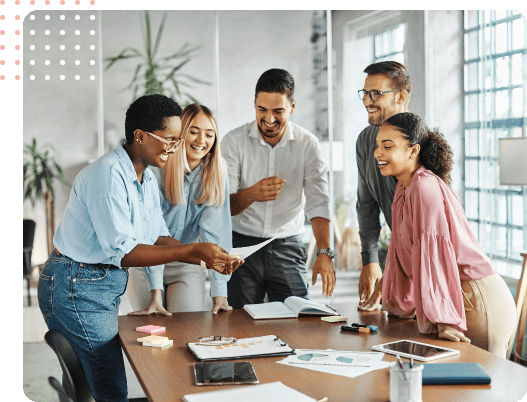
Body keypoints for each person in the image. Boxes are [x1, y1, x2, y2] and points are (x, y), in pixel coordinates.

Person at [37, 94, 242, 402]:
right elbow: (126, 252)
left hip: (94, 284)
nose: (175, 149)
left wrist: (203, 255)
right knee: (110, 388)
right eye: (170, 141)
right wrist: (192, 252)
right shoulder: (107, 176)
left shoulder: (144, 178)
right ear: (140, 136)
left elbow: (157, 234)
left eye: (177, 141)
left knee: (97, 381)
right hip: (74, 286)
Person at [366, 112, 516, 357]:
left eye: (388, 146)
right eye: (377, 146)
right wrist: (394, 303)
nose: (378, 153)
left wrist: (444, 319)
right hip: (453, 298)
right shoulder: (404, 189)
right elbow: (399, 251)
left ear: (413, 151)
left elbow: (435, 256)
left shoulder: (425, 188)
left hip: (475, 300)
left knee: (481, 392)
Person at [221, 68, 336, 309]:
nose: (269, 119)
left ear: (292, 107)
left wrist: (324, 252)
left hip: (287, 245)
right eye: (262, 109)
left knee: (296, 320)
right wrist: (253, 193)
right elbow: (224, 207)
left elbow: (318, 201)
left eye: (278, 111)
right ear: (254, 104)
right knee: (241, 324)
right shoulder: (233, 142)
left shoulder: (308, 145)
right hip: (241, 246)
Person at [127, 104, 233, 314]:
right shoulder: (157, 167)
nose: (202, 141)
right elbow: (151, 235)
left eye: (209, 134)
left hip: (186, 264)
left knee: (187, 328)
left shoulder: (217, 171)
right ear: (179, 134)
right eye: (193, 132)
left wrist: (220, 294)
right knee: (151, 332)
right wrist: (155, 292)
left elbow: (217, 234)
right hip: (145, 262)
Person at [355, 61, 412, 305]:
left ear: (400, 97)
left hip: (430, 265)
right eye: (365, 93)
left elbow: (423, 231)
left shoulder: (420, 144)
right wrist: (370, 259)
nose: (368, 101)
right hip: (402, 262)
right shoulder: (365, 140)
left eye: (376, 93)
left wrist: (390, 276)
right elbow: (366, 205)